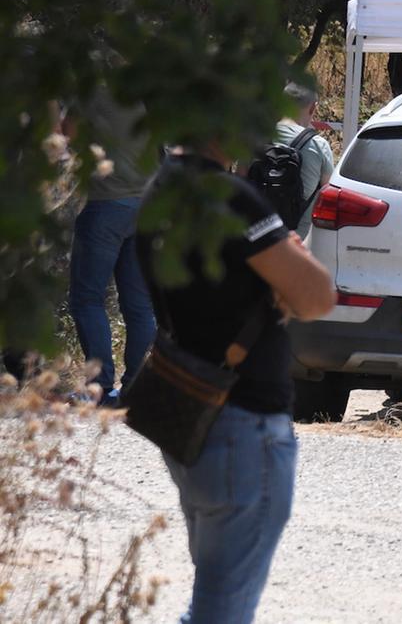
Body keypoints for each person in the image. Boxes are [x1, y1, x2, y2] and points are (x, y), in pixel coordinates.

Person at [136, 143, 336, 624]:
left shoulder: (161, 188)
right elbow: (316, 296)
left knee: (211, 602)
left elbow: (212, 293)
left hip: (190, 411)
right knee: (220, 613)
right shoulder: (230, 196)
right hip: (243, 425)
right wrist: (286, 273)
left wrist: (275, 279)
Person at [65, 85, 158, 407]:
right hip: (145, 204)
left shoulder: (94, 85)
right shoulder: (149, 85)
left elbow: (68, 131)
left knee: (87, 299)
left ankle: (99, 388)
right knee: (140, 305)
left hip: (106, 202)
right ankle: (134, 387)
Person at [276, 82, 335, 240]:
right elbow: (329, 193)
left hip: (258, 244)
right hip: (300, 244)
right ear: (312, 108)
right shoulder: (318, 145)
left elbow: (242, 178)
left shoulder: (257, 138)